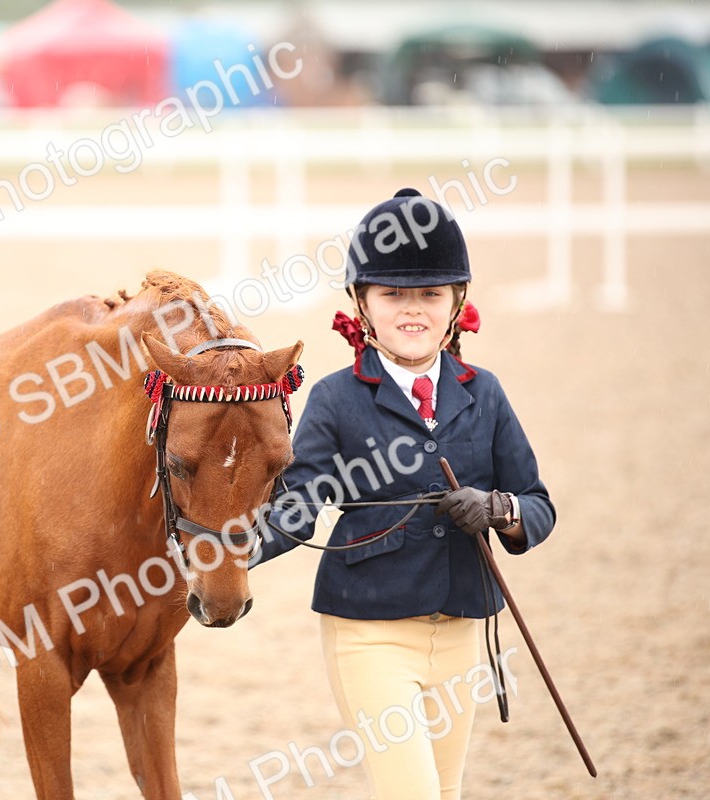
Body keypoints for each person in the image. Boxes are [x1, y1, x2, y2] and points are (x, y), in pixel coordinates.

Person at [253, 188, 555, 800]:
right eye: (392, 294)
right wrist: (233, 551)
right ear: (362, 305)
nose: (411, 310)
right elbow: (300, 502)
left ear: (455, 303)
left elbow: (538, 503)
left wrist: (499, 508)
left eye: (429, 294)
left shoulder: (484, 392)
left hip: (463, 629)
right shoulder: (337, 398)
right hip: (370, 631)